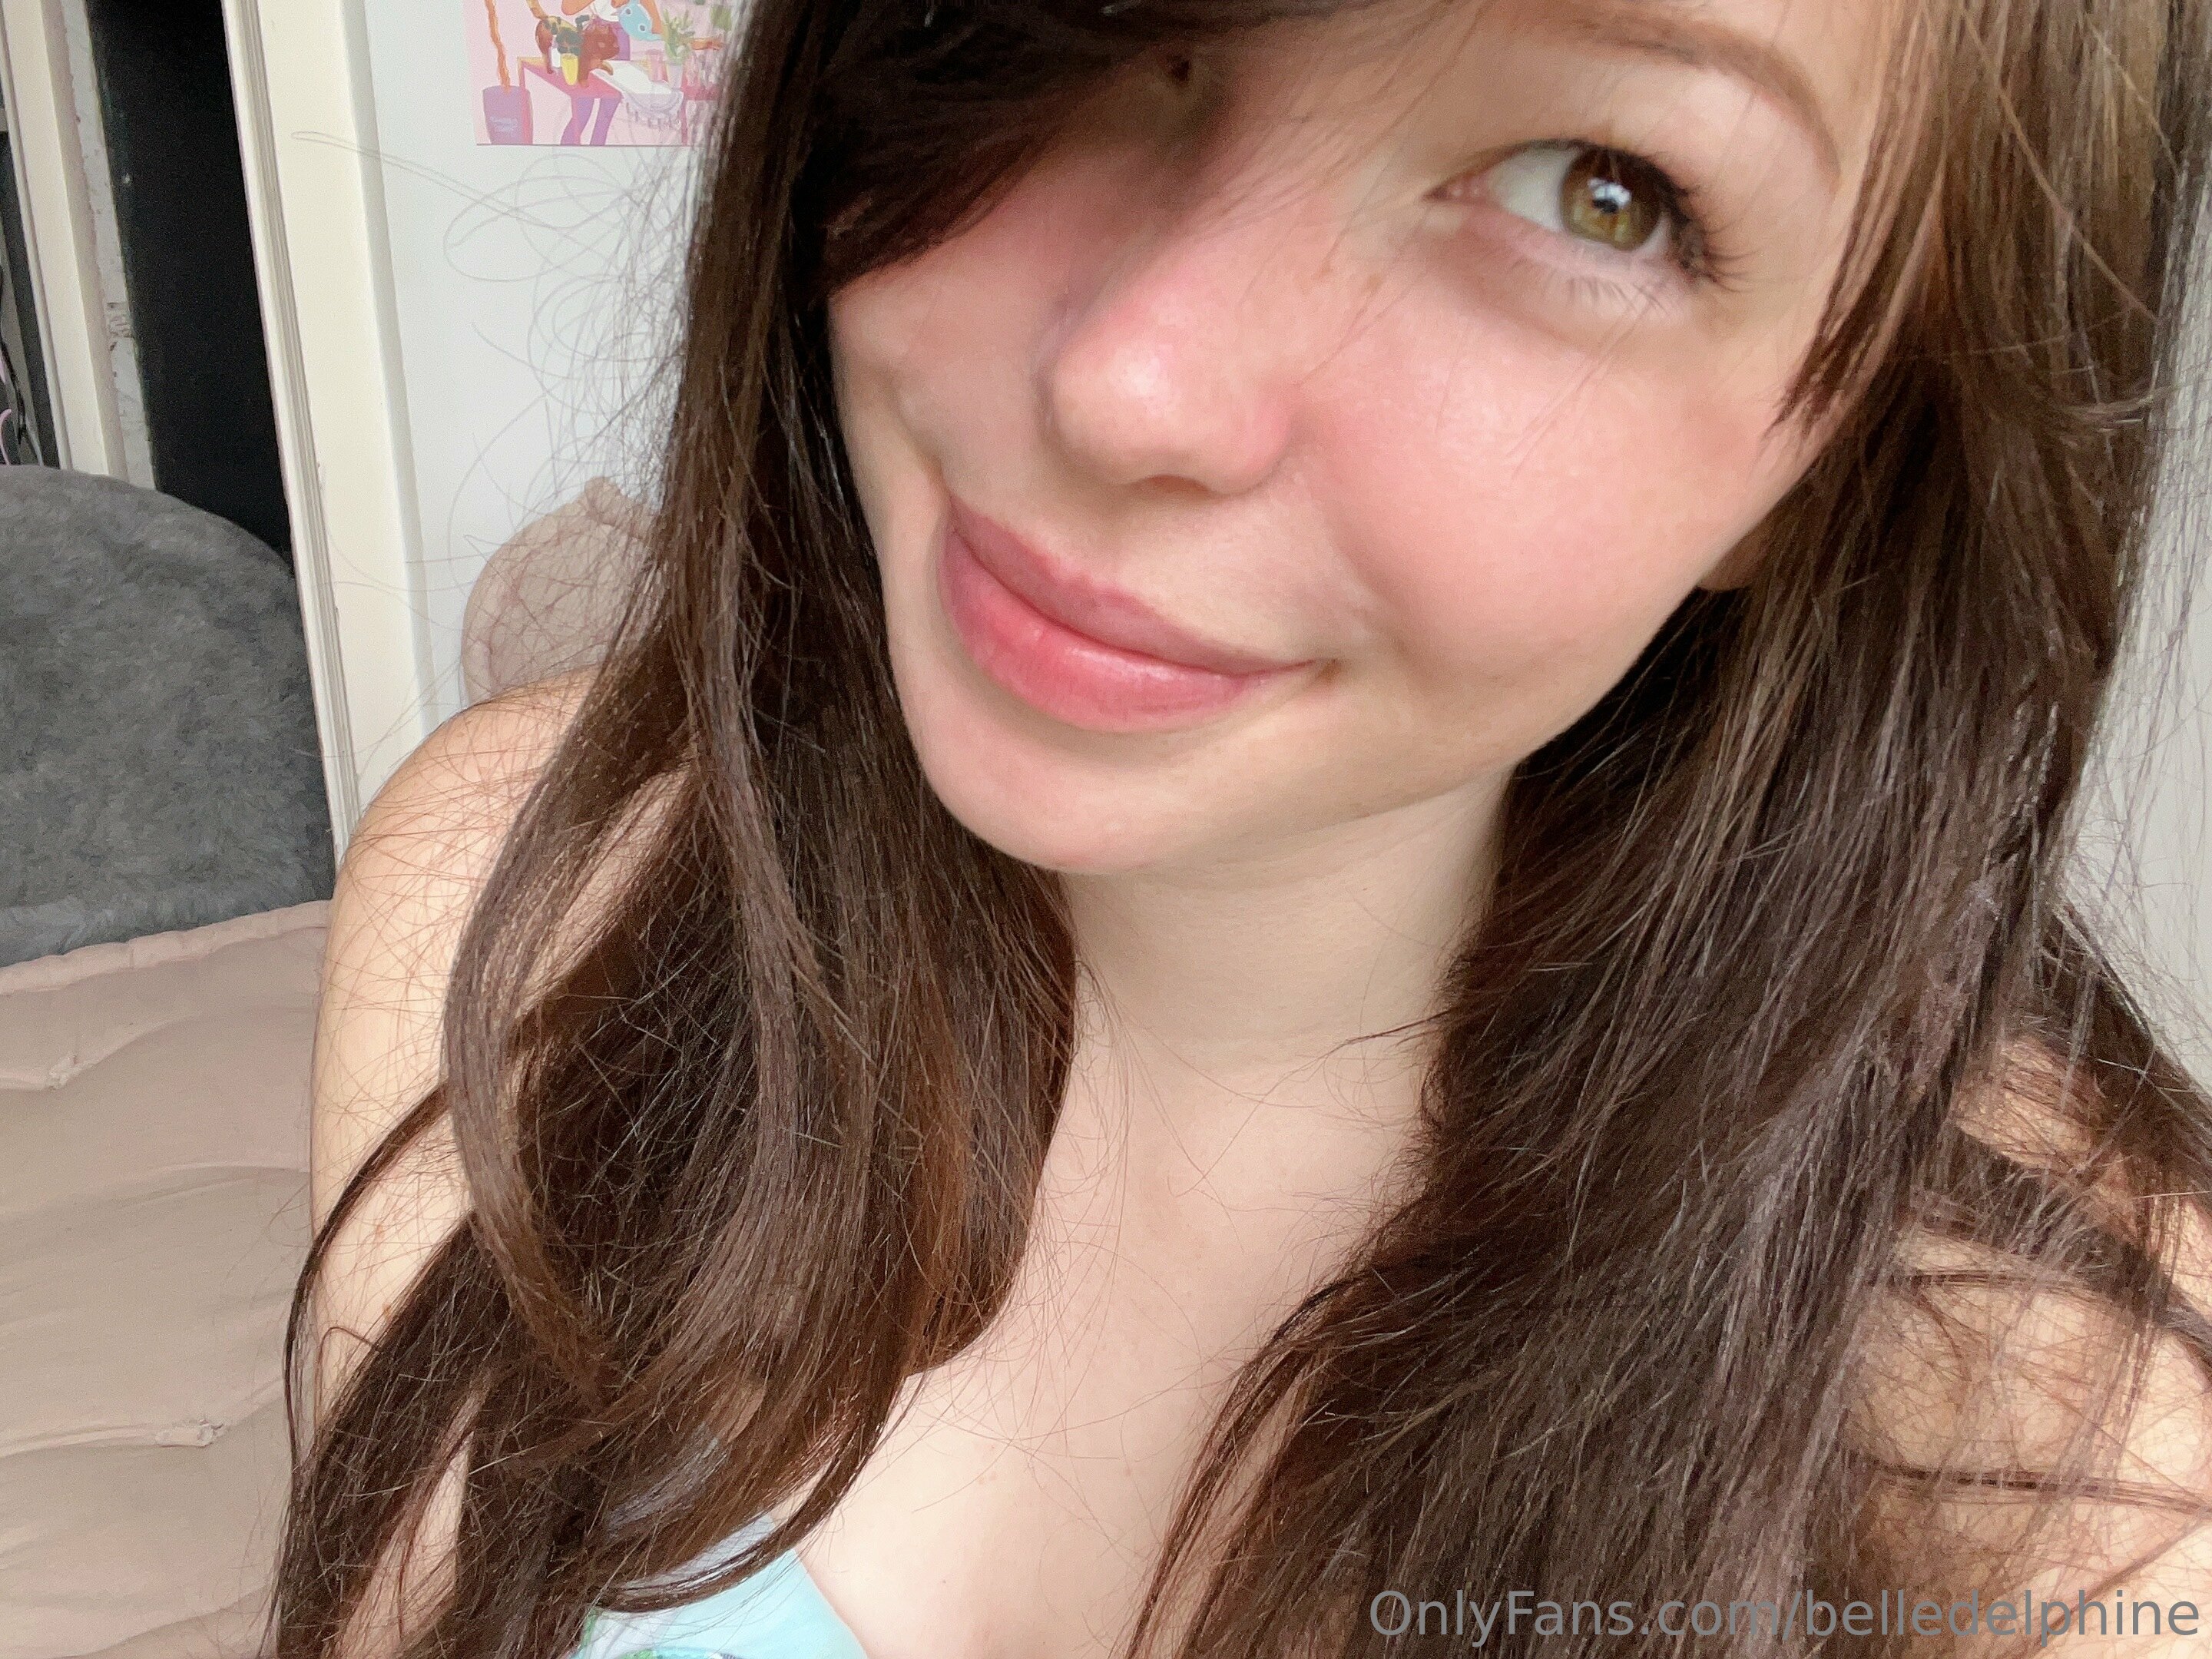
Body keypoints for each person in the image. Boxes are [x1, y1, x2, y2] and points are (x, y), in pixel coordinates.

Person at [276, 0, 2212, 1655]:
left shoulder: (2065, 1464)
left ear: (1844, 456)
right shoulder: (508, 894)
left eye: (1598, 192)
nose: (1133, 384)